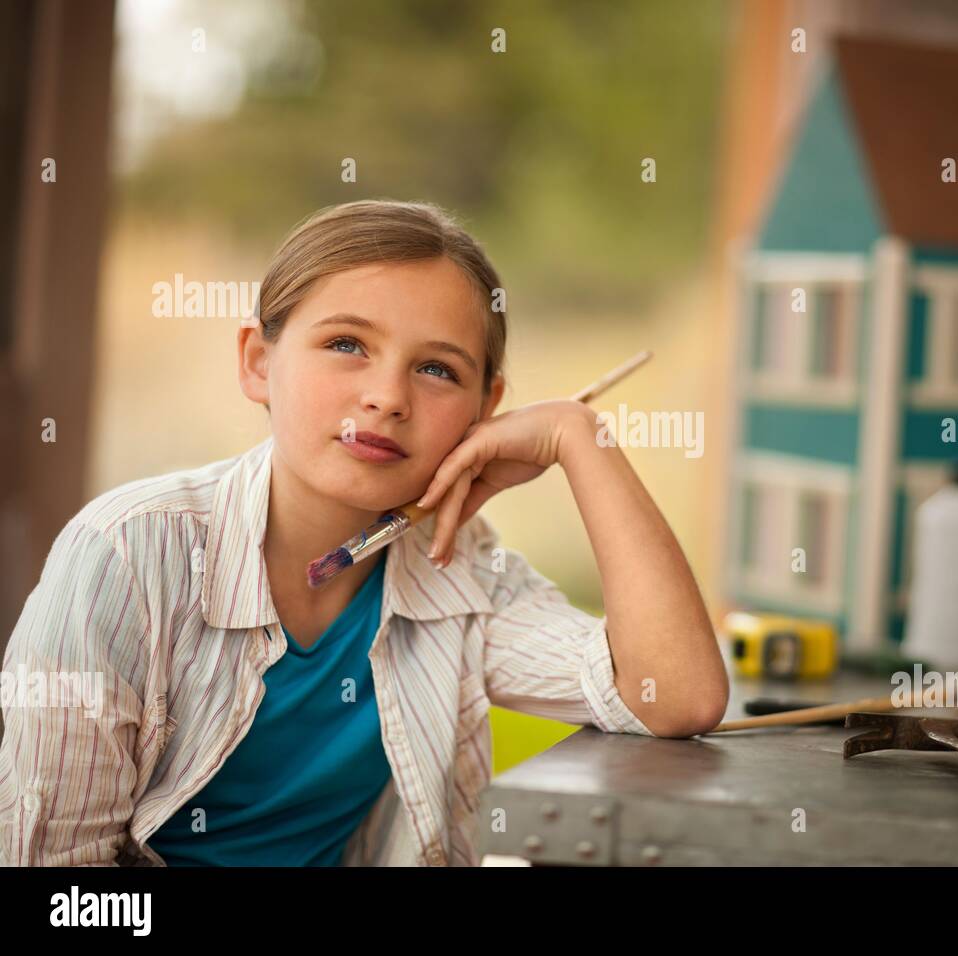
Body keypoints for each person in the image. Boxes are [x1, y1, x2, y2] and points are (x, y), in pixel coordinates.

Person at [0, 199, 728, 866]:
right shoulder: (128, 556)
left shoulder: (460, 568)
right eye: (347, 344)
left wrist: (581, 439)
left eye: (438, 369)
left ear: (486, 410)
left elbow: (674, 696)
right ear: (258, 361)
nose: (386, 397)